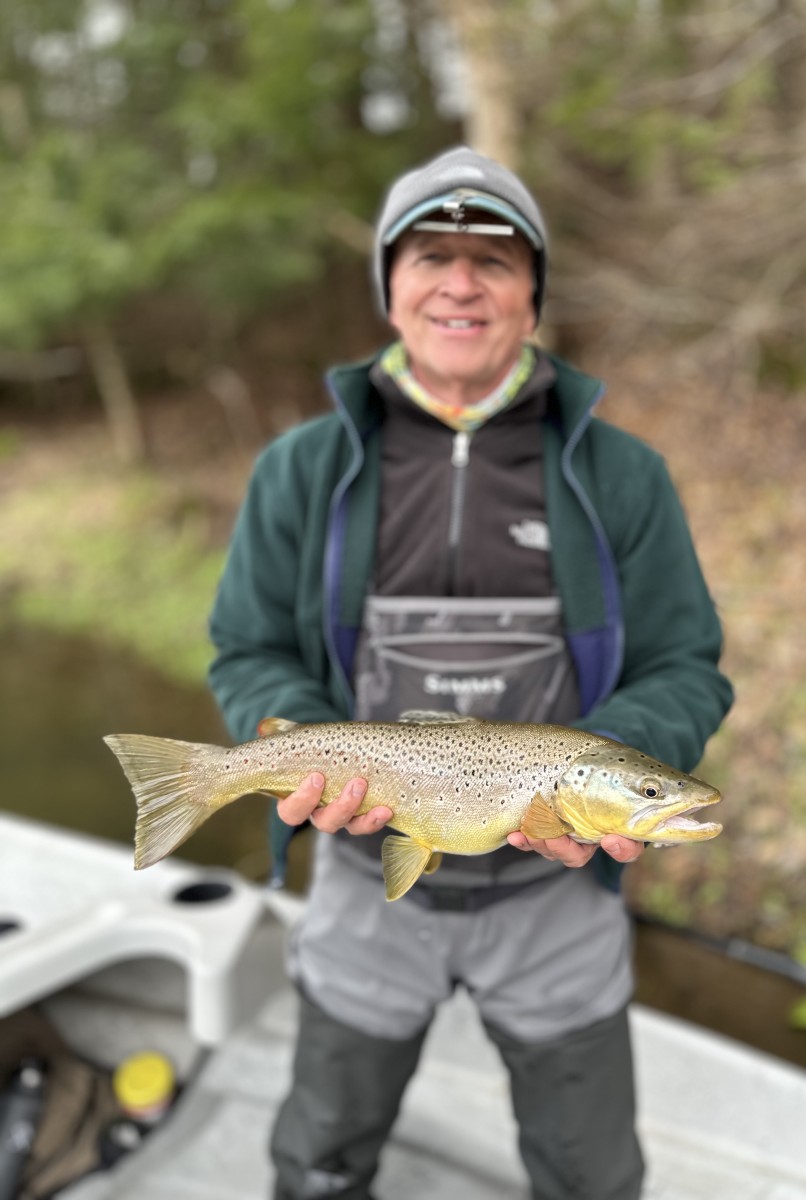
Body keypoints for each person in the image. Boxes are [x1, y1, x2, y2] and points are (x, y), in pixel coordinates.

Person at [207, 146, 733, 1200]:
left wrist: (626, 765)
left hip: (561, 899)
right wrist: (292, 739)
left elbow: (687, 666)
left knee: (591, 1173)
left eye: (493, 258)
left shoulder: (622, 477)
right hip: (366, 884)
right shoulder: (301, 472)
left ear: (532, 293)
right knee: (319, 1155)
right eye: (432, 254)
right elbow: (250, 651)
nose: (461, 281)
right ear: (390, 287)